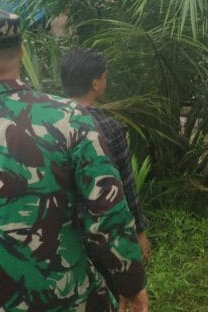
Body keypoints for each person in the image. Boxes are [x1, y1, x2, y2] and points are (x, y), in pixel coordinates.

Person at [0, 9, 147, 311]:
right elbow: (108, 218)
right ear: (20, 53)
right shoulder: (71, 119)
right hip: (69, 299)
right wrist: (132, 287)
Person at [60, 48, 151, 263]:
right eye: (104, 77)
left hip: (60, 238)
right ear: (95, 83)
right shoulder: (108, 127)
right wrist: (139, 231)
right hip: (100, 237)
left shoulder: (46, 124)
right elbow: (125, 185)